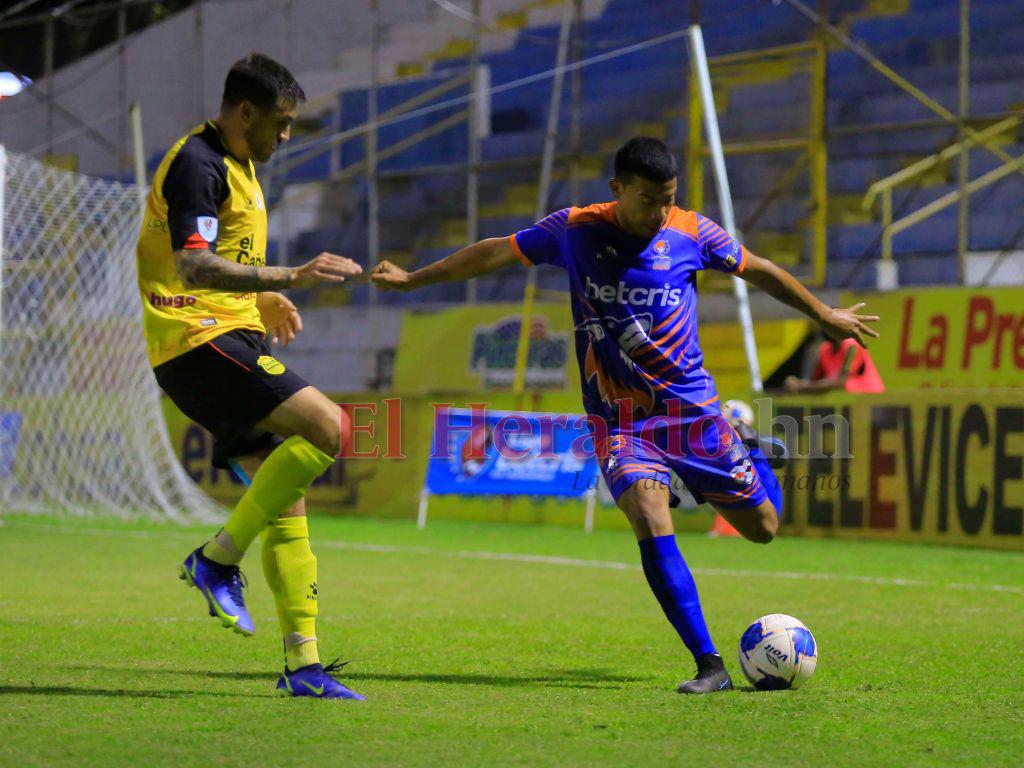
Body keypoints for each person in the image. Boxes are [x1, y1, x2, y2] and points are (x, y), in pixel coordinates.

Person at [370, 137, 879, 694]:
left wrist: (823, 313)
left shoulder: (692, 232)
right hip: (620, 421)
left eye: (668, 199)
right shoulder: (575, 229)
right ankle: (709, 665)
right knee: (649, 513)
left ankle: (748, 444)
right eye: (647, 200)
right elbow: (495, 252)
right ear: (617, 189)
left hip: (691, 412)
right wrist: (414, 279)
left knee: (763, 529)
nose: (658, 212)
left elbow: (757, 268)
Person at [136, 53, 365, 699]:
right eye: (280, 122)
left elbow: (225, 259)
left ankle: (304, 668)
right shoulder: (199, 164)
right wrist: (290, 275)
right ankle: (215, 560)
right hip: (196, 339)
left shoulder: (239, 166)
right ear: (244, 112)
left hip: (223, 334)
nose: (286, 135)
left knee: (287, 508)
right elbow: (194, 267)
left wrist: (262, 297)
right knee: (331, 428)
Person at [784, 334, 885, 393]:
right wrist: (797, 384)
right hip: (846, 402)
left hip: (870, 398)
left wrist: (801, 386)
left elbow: (840, 382)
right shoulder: (825, 349)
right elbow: (816, 379)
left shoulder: (852, 346)